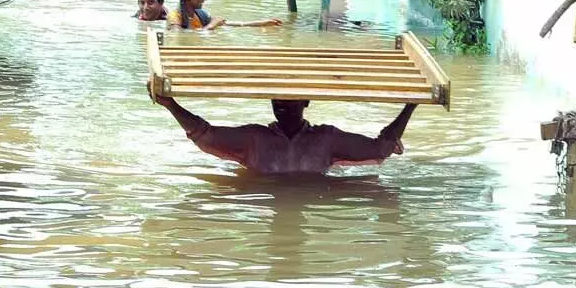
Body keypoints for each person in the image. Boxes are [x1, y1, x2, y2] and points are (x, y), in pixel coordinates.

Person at [150, 88, 417, 174]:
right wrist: (170, 104)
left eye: (289, 99)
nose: (281, 105)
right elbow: (203, 134)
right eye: (276, 99)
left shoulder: (326, 139)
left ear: (306, 101)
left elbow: (380, 148)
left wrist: (410, 105)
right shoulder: (254, 138)